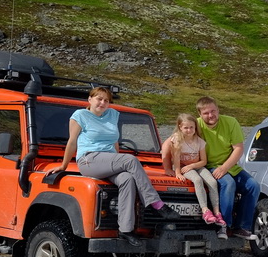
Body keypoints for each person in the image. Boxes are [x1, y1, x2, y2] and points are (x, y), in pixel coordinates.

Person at [54, 86, 180, 246]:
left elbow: (114, 142)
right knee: (130, 160)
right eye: (99, 99)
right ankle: (156, 204)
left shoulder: (112, 114)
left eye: (106, 100)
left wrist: (118, 161)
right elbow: (72, 142)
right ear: (90, 99)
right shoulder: (80, 115)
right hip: (89, 159)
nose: (103, 103)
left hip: (109, 160)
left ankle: (125, 230)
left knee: (127, 179)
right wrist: (64, 165)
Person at [196, 96, 260, 239]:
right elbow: (178, 136)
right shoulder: (196, 125)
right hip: (209, 166)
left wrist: (224, 167)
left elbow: (238, 149)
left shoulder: (231, 122)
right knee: (228, 183)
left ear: (218, 110)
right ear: (199, 114)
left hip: (229, 166)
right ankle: (223, 225)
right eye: (206, 113)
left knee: (253, 186)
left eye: (213, 111)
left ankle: (242, 227)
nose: (210, 115)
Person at [162, 113, 226, 231]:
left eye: (191, 127)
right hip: (183, 167)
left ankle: (217, 212)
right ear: (180, 127)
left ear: (195, 127)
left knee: (212, 182)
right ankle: (205, 210)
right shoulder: (177, 139)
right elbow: (176, 158)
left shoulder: (199, 141)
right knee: (197, 180)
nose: (189, 130)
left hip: (196, 166)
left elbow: (203, 161)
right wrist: (177, 173)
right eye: (186, 127)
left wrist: (192, 165)